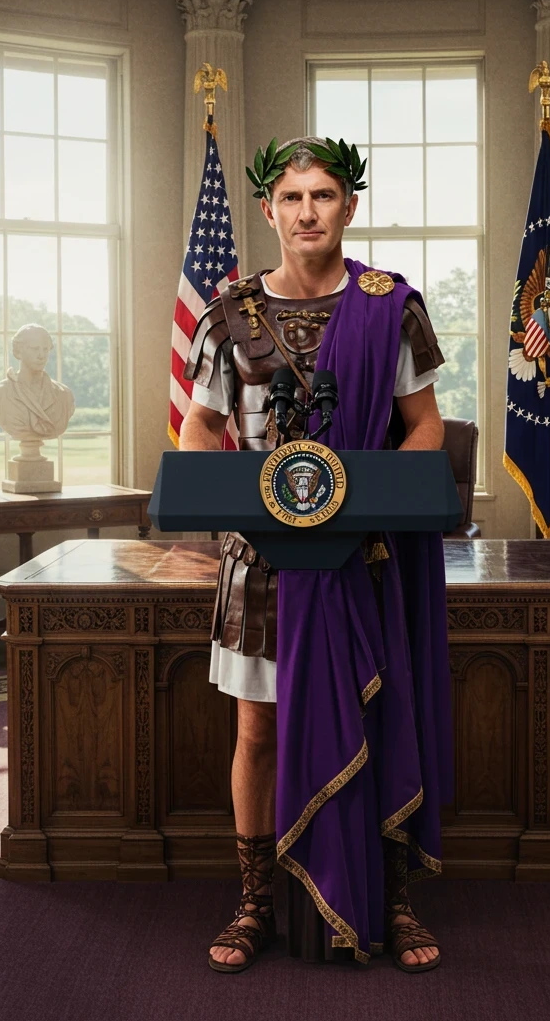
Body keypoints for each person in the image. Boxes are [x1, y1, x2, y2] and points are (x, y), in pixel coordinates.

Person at [180, 136, 453, 974]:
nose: (307, 212)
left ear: (349, 207)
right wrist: (215, 494)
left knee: (380, 716)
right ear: (269, 210)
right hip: (260, 570)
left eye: (323, 196)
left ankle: (390, 898)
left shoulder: (388, 306)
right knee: (257, 732)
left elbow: (425, 427)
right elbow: (198, 425)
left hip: (361, 561)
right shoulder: (229, 313)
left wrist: (372, 504)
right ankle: (256, 899)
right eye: (292, 198)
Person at [0, 323, 75, 440]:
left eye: (45, 349)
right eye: (35, 348)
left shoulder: (64, 395)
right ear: (18, 352)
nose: (41, 355)